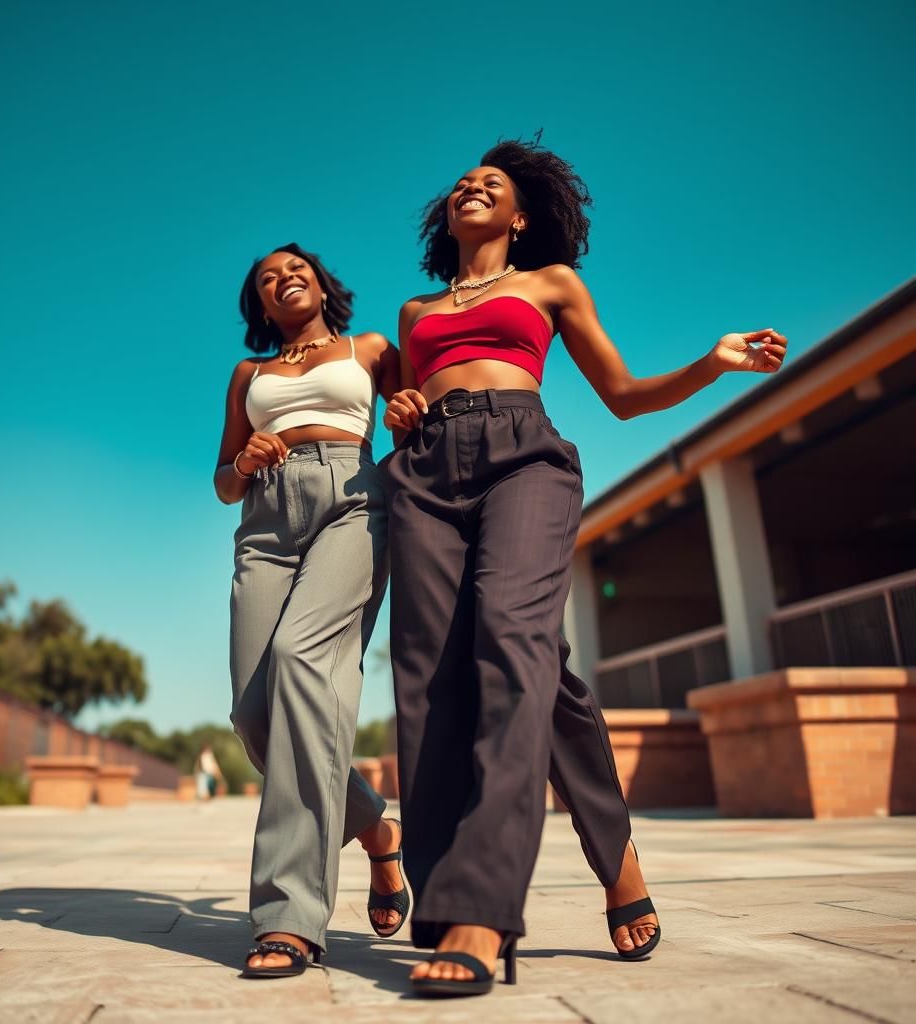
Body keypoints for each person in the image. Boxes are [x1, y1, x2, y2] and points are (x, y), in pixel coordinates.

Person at [381, 139, 787, 997]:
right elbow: (409, 401)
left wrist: (712, 364)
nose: (469, 188)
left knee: (510, 639)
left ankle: (481, 910)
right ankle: (610, 851)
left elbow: (625, 395)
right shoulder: (417, 313)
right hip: (423, 474)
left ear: (521, 216)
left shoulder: (550, 283)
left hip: (522, 457)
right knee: (432, 675)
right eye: (460, 183)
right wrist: (404, 406)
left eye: (489, 185)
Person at [215, 243, 409, 979]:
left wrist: (410, 407)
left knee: (303, 661)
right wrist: (242, 464)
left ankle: (289, 917)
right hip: (264, 526)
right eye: (266, 278)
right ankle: (374, 830)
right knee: (252, 714)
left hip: (352, 503)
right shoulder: (249, 375)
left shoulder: (371, 349)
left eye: (294, 269)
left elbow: (414, 409)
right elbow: (223, 484)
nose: (283, 278)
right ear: (261, 307)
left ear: (323, 285)